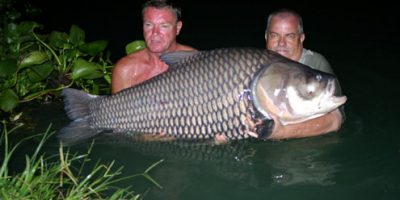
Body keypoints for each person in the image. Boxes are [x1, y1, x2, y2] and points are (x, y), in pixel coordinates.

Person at [264, 8, 344, 140]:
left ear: (301, 38)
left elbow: (335, 120)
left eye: (289, 36)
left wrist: (284, 132)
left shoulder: (314, 64)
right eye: (274, 35)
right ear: (266, 37)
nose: (281, 43)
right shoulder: (254, 65)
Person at [111, 0, 195, 94]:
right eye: (149, 25)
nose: (155, 33)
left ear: (178, 28)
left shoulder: (195, 62)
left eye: (164, 26)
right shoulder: (126, 69)